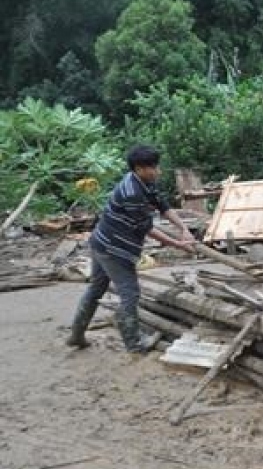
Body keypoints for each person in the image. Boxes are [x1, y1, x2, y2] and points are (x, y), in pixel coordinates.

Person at [66, 145, 195, 353]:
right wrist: (178, 244)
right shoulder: (132, 193)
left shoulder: (145, 182)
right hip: (113, 248)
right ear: (139, 168)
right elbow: (147, 229)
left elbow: (162, 205)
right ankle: (134, 343)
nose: (158, 171)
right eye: (153, 167)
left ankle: (76, 335)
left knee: (96, 289)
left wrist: (183, 228)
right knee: (130, 293)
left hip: (101, 240)